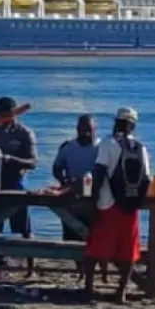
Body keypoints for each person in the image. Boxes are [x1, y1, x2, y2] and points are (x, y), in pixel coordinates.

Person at [82, 107, 151, 304]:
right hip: (130, 207)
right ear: (133, 126)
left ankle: (88, 287)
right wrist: (137, 201)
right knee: (128, 249)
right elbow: (146, 178)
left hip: (107, 203)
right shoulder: (141, 147)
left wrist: (92, 201)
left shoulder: (108, 143)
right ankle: (121, 290)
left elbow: (99, 172)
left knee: (95, 248)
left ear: (117, 122)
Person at [0, 96, 39, 272]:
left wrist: (10, 159)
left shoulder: (25, 133)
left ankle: (30, 264)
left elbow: (32, 162)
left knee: (23, 226)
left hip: (16, 182)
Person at [52, 114, 104, 278]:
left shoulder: (101, 147)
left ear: (95, 130)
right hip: (72, 197)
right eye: (82, 129)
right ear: (77, 129)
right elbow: (57, 167)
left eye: (89, 129)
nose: (86, 133)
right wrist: (64, 180)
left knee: (94, 235)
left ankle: (97, 271)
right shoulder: (68, 147)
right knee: (71, 234)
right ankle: (79, 268)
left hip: (94, 198)